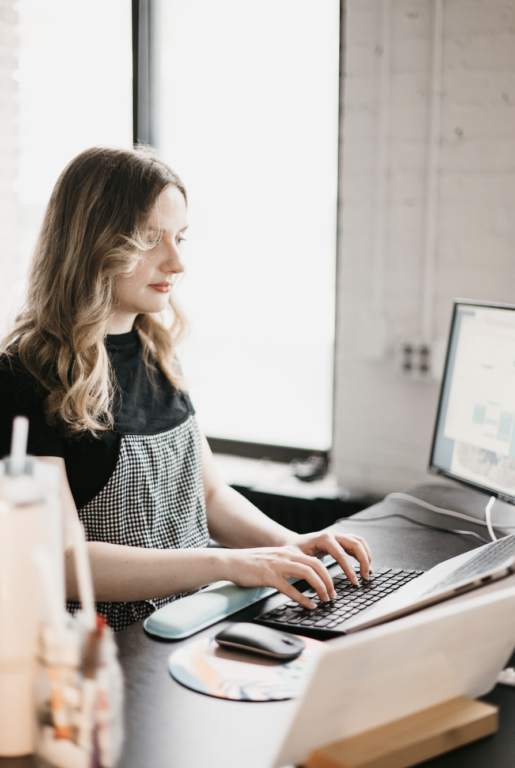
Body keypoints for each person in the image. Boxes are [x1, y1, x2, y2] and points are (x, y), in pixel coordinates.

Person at [0, 146, 372, 631]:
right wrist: (224, 563)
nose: (177, 263)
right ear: (93, 242)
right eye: (153, 240)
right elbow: (64, 561)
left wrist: (289, 543)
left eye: (180, 238)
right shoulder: (22, 377)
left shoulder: (155, 351)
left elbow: (212, 496)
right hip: (101, 652)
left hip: (185, 625)